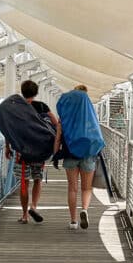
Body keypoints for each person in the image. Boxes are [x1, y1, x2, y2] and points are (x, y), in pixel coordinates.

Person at [0, 79, 56, 224]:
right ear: (36, 93)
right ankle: (33, 206)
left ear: (22, 91)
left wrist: (8, 147)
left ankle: (24, 215)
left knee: (24, 182)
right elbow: (55, 123)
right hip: (39, 151)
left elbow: (10, 130)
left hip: (22, 153)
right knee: (37, 180)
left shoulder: (14, 108)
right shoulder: (41, 106)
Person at [55, 84, 105, 230]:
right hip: (88, 153)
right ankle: (84, 209)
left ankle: (73, 221)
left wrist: (55, 154)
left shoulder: (65, 115)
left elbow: (58, 136)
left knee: (72, 188)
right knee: (86, 188)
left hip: (70, 153)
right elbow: (97, 134)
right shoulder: (90, 115)